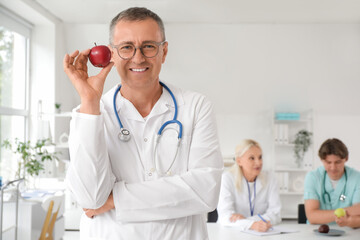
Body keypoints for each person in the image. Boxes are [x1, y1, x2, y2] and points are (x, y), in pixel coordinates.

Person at [63, 7, 223, 239]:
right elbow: (90, 198)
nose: (138, 58)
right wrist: (89, 101)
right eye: (127, 47)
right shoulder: (92, 113)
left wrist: (114, 200)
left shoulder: (196, 106)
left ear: (164, 51)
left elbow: (206, 192)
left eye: (148, 46)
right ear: (112, 54)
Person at [217, 139, 281, 232]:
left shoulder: (270, 179)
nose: (258, 162)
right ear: (239, 161)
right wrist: (251, 224)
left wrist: (248, 222)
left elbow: (276, 214)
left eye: (260, 157)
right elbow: (225, 217)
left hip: (261, 233)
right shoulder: (227, 179)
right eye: (252, 158)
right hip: (231, 233)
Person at [304, 138, 360, 228]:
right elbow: (312, 217)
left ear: (346, 158)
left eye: (338, 162)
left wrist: (349, 222)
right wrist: (346, 212)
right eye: (328, 162)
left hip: (347, 231)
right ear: (322, 160)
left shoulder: (357, 178)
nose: (333, 167)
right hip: (317, 231)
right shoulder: (313, 177)